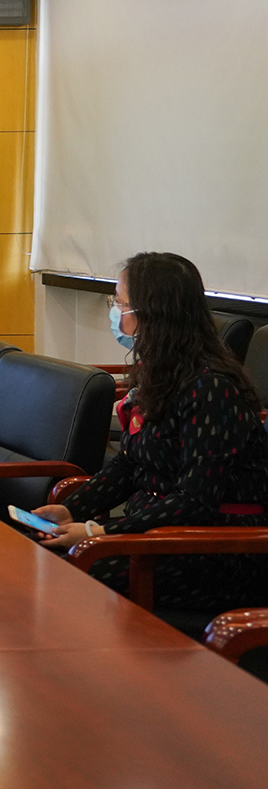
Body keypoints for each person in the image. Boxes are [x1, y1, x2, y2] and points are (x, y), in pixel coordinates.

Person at [32, 251, 268, 611]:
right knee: (41, 555)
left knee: (67, 577)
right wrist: (71, 511)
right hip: (156, 534)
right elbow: (129, 463)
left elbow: (195, 502)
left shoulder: (211, 388)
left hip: (213, 547)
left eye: (121, 304)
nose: (116, 312)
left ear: (153, 315)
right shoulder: (160, 372)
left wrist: (99, 533)